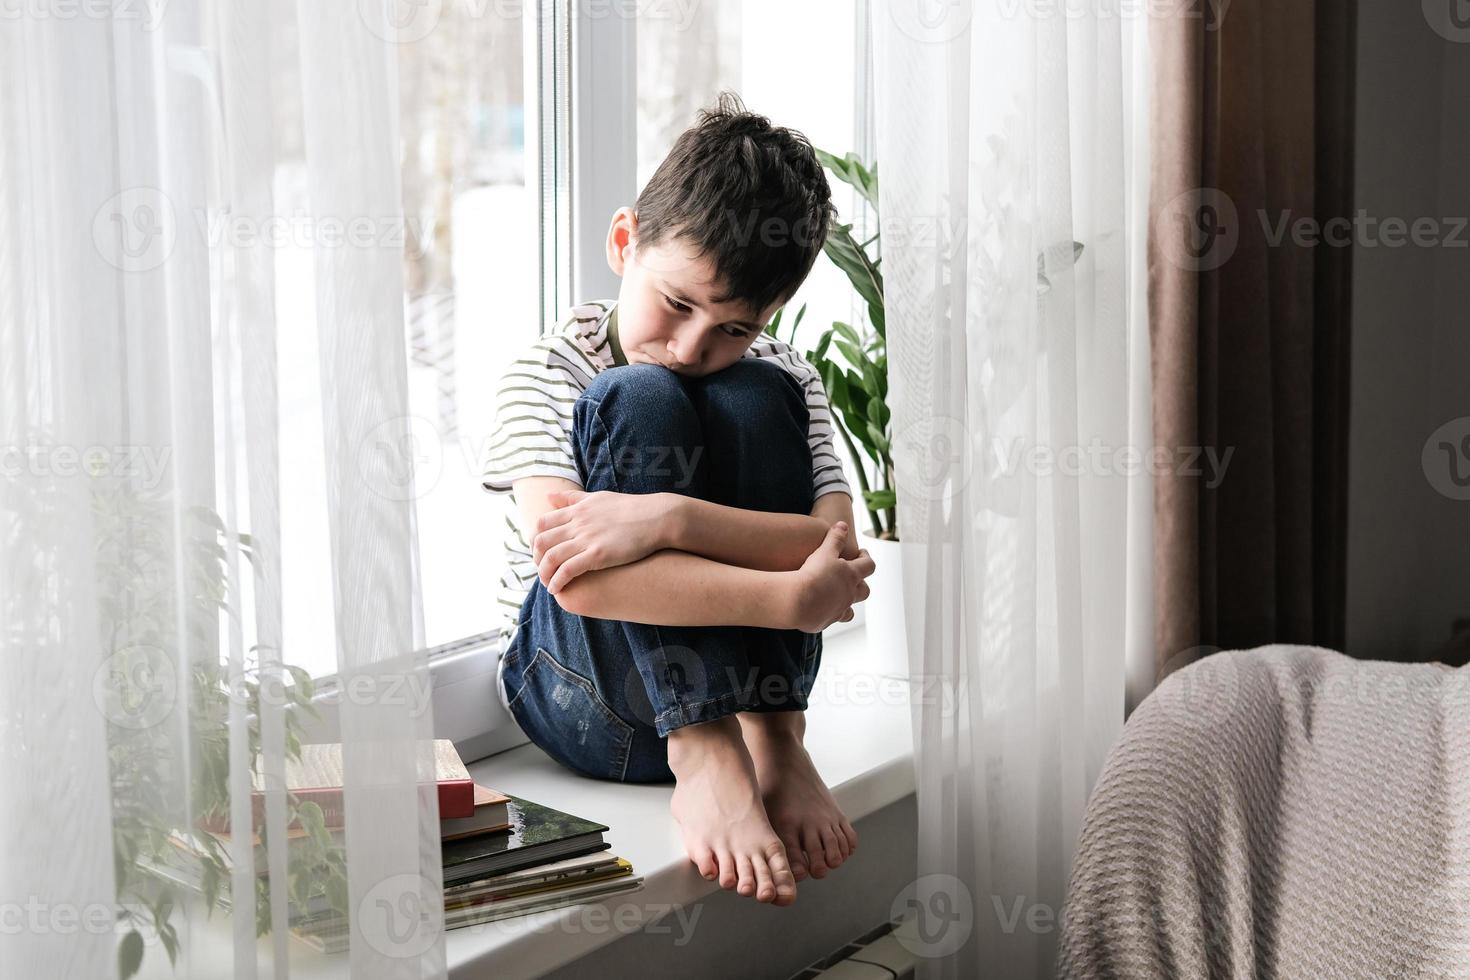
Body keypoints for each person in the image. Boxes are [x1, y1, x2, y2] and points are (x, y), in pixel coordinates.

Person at [480, 92, 875, 907]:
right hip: (588, 696)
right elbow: (576, 577)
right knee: (640, 396)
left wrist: (671, 518)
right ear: (625, 242)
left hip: (757, 704)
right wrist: (785, 598)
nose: (694, 346)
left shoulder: (780, 373)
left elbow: (834, 551)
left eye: (734, 326)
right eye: (678, 303)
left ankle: (774, 738)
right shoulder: (551, 371)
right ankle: (704, 748)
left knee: (754, 395)